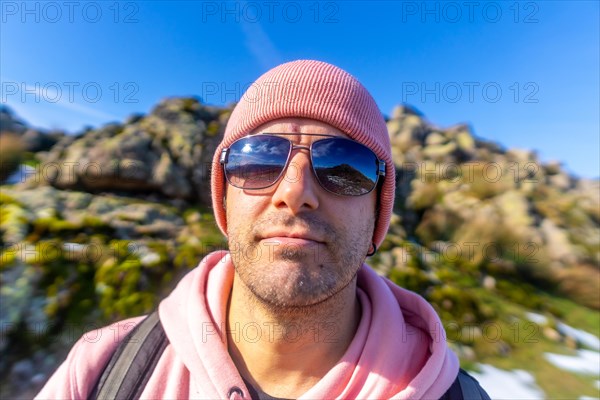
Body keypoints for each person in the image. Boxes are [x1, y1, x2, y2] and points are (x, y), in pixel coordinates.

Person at [36, 60, 489, 399]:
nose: (295, 192)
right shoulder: (104, 368)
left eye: (344, 165)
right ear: (224, 200)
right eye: (259, 158)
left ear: (378, 210)